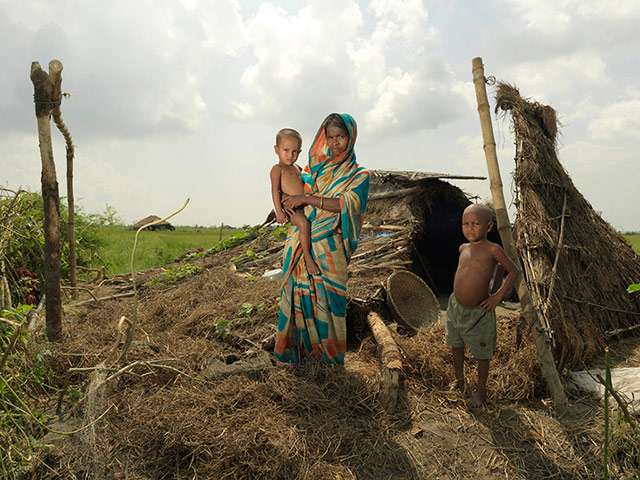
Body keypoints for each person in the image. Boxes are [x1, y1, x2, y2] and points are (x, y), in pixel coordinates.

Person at [273, 113, 369, 364]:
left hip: (330, 246)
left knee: (331, 302)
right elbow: (288, 189)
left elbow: (346, 204)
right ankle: (299, 356)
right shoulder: (311, 169)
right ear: (323, 139)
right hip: (299, 241)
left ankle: (328, 361)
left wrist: (306, 199)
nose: (336, 142)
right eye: (331, 137)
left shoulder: (360, 175)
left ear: (351, 137)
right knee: (297, 297)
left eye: (341, 137)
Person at [446, 203, 520, 406]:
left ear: (488, 227)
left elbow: (513, 272)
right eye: (465, 224)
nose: (469, 228)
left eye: (475, 224)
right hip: (455, 308)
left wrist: (496, 296)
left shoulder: (493, 249)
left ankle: (480, 392)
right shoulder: (463, 248)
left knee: (482, 354)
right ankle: (459, 380)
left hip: (479, 312)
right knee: (456, 345)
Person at [270, 128, 320, 276]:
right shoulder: (277, 169)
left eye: (295, 152)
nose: (290, 155)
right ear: (276, 149)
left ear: (299, 152)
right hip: (293, 211)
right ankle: (308, 258)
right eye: (285, 150)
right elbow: (274, 190)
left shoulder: (298, 168)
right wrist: (279, 211)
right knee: (304, 224)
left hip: (305, 206)